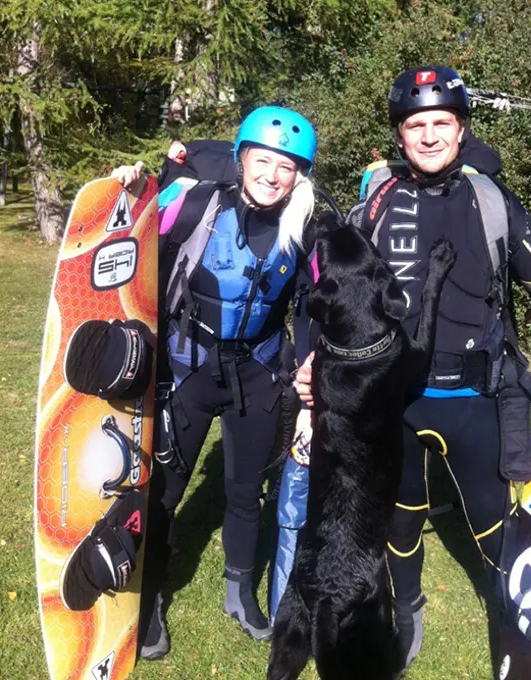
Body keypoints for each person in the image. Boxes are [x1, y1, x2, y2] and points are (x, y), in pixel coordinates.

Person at [294, 65, 531, 673]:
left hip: (475, 400)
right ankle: (408, 615)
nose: (429, 136)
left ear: (461, 130)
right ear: (400, 135)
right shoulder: (372, 204)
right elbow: (323, 290)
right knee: (399, 520)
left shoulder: (493, 201)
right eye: (416, 125)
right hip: (393, 404)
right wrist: (308, 360)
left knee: (493, 523)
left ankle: (519, 621)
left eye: (442, 123)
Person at [112, 106, 319, 659]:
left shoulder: (305, 225)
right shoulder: (198, 201)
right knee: (165, 491)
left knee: (246, 491)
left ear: (300, 174)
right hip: (189, 365)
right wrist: (133, 187)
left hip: (259, 372)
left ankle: (238, 592)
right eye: (264, 160)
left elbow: (314, 304)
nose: (273, 175)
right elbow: (135, 236)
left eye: (287, 166)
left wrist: (313, 363)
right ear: (242, 157)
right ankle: (149, 595)